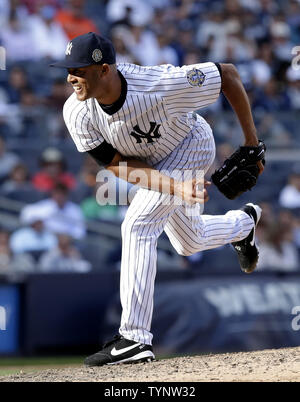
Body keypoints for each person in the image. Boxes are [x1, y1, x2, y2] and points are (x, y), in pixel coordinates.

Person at [50, 32, 264, 366]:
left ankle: (135, 338)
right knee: (189, 242)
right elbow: (116, 164)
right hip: (152, 164)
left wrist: (252, 144)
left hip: (189, 145)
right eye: (68, 69)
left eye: (78, 69)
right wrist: (173, 187)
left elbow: (229, 75)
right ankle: (245, 224)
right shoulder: (77, 112)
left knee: (137, 225)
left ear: (104, 69)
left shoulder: (158, 84)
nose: (70, 76)